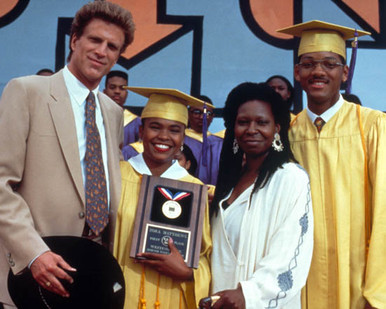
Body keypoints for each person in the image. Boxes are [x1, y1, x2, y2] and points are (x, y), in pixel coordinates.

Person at [0, 2, 135, 307]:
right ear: (75, 40)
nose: (102, 51)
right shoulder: (27, 91)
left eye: (112, 46)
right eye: (95, 40)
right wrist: (34, 252)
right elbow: (0, 182)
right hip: (33, 272)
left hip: (92, 273)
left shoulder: (113, 113)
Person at [278, 20, 386, 308]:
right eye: (309, 63)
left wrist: (377, 292)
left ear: (345, 72)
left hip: (358, 276)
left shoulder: (372, 125)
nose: (318, 71)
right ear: (297, 72)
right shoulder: (286, 133)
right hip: (301, 276)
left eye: (330, 63)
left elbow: (385, 209)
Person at [209, 82, 313, 308]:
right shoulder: (229, 184)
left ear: (277, 128)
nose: (251, 129)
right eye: (243, 122)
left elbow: (291, 251)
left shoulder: (291, 178)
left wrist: (248, 294)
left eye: (262, 122)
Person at [113, 87, 211, 309]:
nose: (164, 137)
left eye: (174, 130)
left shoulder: (194, 189)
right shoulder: (117, 175)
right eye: (155, 127)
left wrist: (187, 273)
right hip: (119, 296)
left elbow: (205, 257)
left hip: (172, 298)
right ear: (141, 131)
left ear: (183, 137)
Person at [185, 95, 222, 185]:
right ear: (188, 114)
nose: (202, 117)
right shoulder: (179, 140)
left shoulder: (220, 143)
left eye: (207, 113)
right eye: (197, 112)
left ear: (213, 117)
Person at [103, 70, 142, 145]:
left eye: (122, 88)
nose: (117, 91)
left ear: (127, 94)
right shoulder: (94, 118)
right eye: (112, 87)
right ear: (104, 92)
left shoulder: (136, 123)